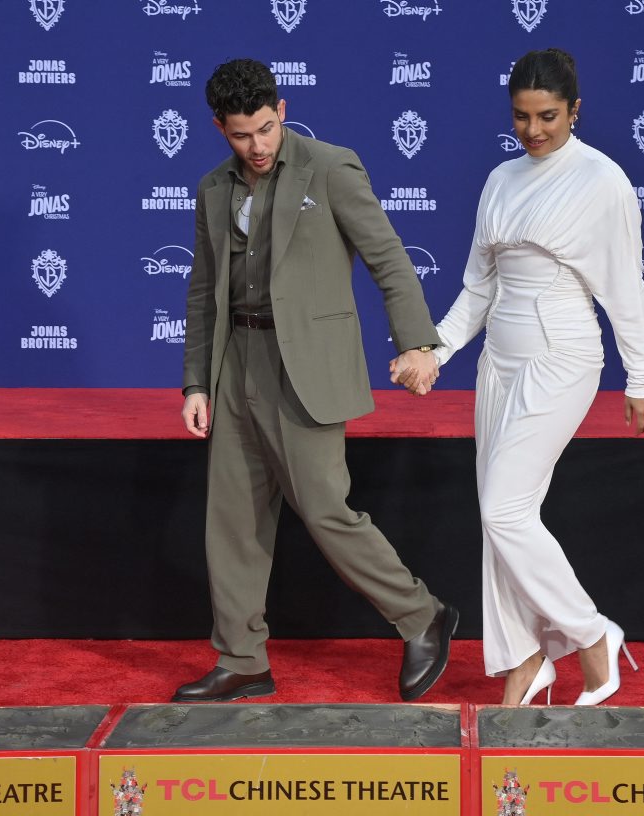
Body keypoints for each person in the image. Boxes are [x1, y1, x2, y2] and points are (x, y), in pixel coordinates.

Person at [173, 58, 456, 703]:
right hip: (234, 363)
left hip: (305, 364)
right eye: (242, 135)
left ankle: (422, 616)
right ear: (220, 128)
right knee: (233, 521)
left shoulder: (330, 167)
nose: (258, 145)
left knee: (327, 509)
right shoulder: (213, 188)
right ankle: (242, 659)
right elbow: (202, 291)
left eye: (266, 128)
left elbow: (388, 257)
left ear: (282, 110)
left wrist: (416, 344)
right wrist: (196, 382)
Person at [393, 48, 644, 706]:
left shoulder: (603, 180)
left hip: (562, 356)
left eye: (547, 116)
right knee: (501, 518)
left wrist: (641, 377)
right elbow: (478, 289)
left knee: (505, 509)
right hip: (498, 364)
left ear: (575, 110)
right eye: (521, 116)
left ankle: (592, 636)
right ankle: (525, 659)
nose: (533, 130)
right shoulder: (500, 179)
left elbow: (625, 287)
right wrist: (434, 351)